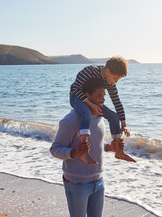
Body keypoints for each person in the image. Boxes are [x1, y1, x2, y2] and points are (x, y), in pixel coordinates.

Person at [50, 78, 129, 217]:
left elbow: (96, 143)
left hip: (98, 181)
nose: (103, 99)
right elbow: (55, 149)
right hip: (77, 183)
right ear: (86, 95)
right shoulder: (71, 120)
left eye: (104, 95)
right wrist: (75, 153)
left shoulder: (99, 118)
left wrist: (110, 147)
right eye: (98, 95)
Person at [69, 56, 135, 164]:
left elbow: (116, 101)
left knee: (114, 116)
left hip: (93, 100)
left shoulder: (110, 82)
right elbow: (75, 89)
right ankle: (83, 151)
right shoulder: (89, 71)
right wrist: (91, 104)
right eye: (115, 78)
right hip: (76, 96)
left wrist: (123, 124)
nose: (115, 82)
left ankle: (119, 151)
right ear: (108, 71)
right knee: (86, 112)